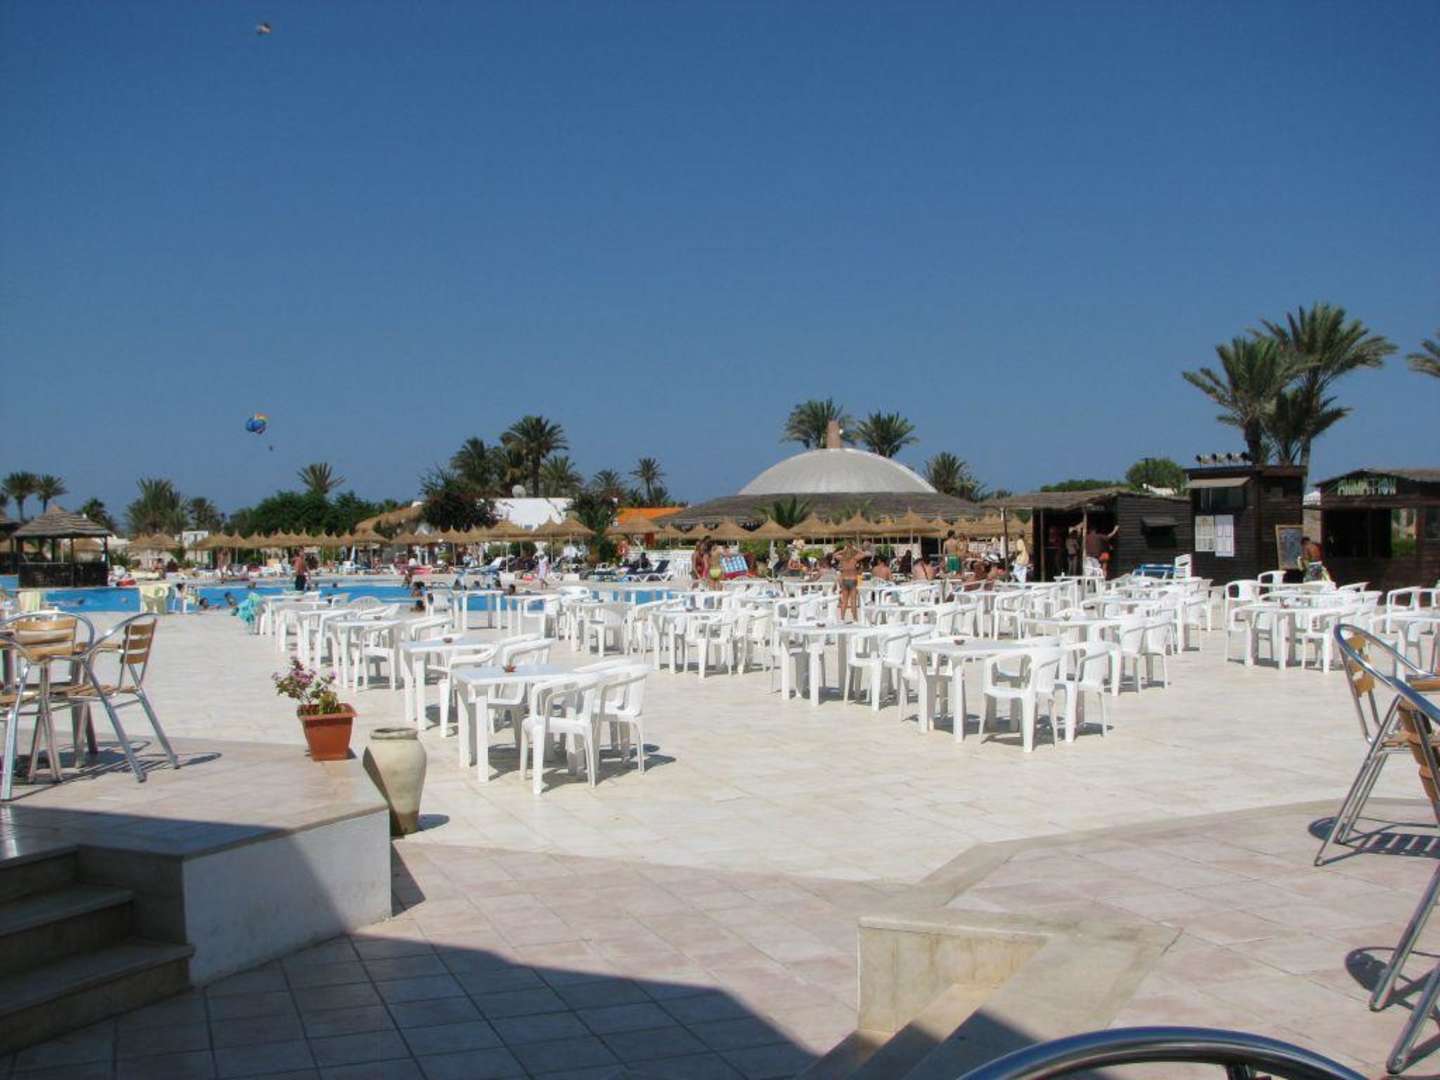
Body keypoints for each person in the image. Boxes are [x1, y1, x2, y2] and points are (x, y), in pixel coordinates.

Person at [835, 542, 863, 622]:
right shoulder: (854, 558)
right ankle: (855, 619)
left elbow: (834, 555)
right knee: (853, 601)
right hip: (853, 579)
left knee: (844, 601)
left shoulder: (842, 559)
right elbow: (863, 554)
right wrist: (855, 549)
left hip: (844, 579)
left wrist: (842, 551)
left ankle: (842, 618)